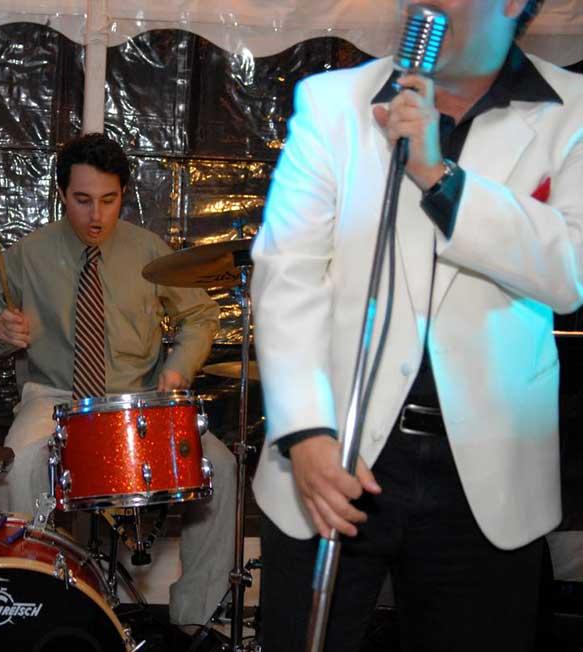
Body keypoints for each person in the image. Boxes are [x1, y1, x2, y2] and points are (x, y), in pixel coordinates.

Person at [249, 0, 583, 650]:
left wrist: (436, 173)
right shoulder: (332, 102)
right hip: (335, 453)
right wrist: (305, 433)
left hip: (487, 477)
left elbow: (569, 272)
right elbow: (286, 272)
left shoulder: (570, 110)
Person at [0, 132, 236, 627]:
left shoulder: (151, 252)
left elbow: (200, 317)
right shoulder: (27, 255)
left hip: (137, 399)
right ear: (62, 194)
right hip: (55, 396)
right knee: (19, 468)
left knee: (219, 467)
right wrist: (2, 332)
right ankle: (32, 613)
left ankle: (196, 620)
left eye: (108, 201)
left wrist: (178, 369)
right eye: (82, 200)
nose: (96, 215)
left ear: (123, 195)